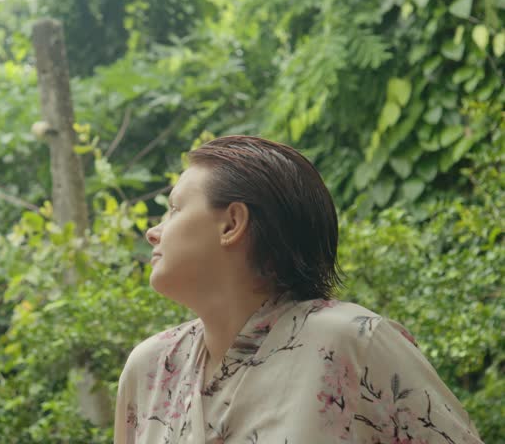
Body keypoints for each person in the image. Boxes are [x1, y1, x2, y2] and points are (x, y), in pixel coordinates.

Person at [113, 136, 483, 443]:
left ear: (232, 223)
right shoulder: (151, 367)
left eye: (175, 209)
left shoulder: (350, 342)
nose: (153, 232)